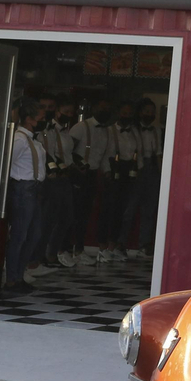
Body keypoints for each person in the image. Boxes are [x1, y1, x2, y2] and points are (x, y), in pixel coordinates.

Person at [1, 97, 46, 295]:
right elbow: (8, 164)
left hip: (34, 188)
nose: (43, 121)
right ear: (29, 119)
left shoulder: (33, 139)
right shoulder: (20, 138)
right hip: (22, 189)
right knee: (19, 235)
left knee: (33, 234)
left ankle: (19, 275)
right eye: (40, 118)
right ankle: (12, 279)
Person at [68, 99, 114, 265]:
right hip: (77, 173)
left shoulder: (107, 131)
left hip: (93, 175)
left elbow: (103, 156)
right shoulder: (81, 127)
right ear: (94, 108)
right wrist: (75, 166)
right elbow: (68, 150)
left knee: (86, 213)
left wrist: (107, 172)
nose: (105, 111)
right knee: (75, 213)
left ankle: (79, 249)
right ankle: (70, 250)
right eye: (102, 107)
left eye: (107, 108)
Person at [39, 97, 80, 268]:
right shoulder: (43, 129)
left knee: (65, 217)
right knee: (47, 218)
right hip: (47, 178)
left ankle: (50, 253)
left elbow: (61, 153)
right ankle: (41, 257)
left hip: (63, 175)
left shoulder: (61, 131)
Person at [103, 101, 142, 261]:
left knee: (123, 211)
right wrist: (106, 171)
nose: (126, 117)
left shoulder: (134, 132)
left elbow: (138, 150)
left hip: (129, 171)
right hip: (114, 170)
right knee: (110, 210)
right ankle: (104, 248)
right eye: (124, 114)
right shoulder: (109, 131)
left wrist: (138, 170)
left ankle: (115, 246)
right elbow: (105, 153)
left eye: (129, 114)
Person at [125, 101, 162, 259]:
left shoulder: (156, 130)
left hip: (152, 168)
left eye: (151, 112)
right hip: (136, 167)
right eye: (146, 111)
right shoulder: (132, 129)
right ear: (140, 113)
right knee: (130, 208)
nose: (149, 114)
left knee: (149, 209)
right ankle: (122, 244)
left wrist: (161, 172)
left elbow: (159, 151)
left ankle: (144, 245)